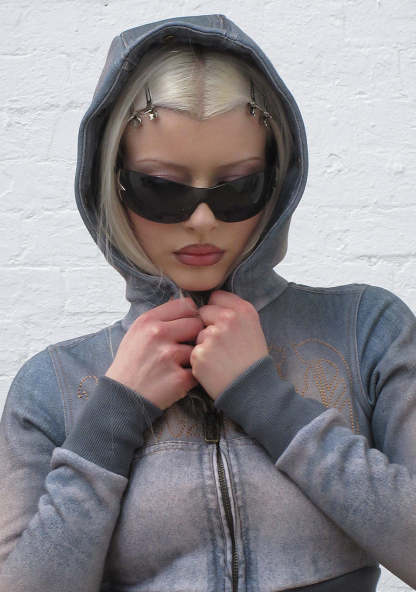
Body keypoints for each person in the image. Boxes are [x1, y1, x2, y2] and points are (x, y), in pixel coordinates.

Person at [0, 14, 415, 592]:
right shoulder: (52, 384)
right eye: (161, 188)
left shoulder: (366, 331)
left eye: (238, 187)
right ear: (112, 183)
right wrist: (112, 416)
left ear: (277, 183)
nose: (201, 219)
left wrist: (266, 399)